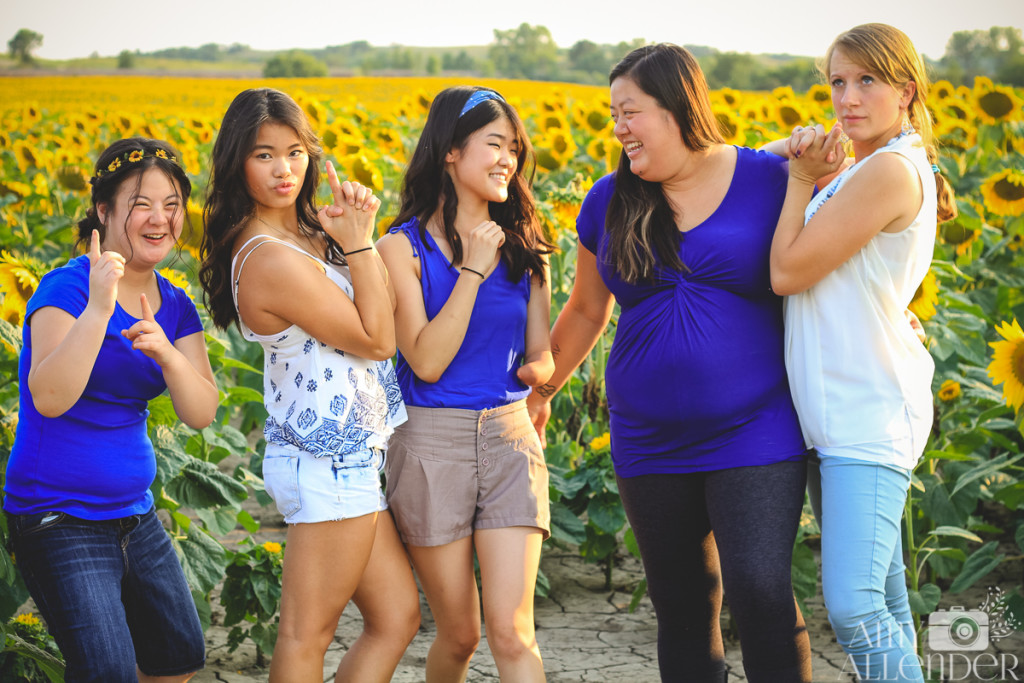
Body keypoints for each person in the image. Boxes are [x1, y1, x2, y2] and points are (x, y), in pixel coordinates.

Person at [526, 45, 812, 683]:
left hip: (755, 428)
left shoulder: (771, 181)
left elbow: (840, 244)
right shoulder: (609, 200)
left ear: (680, 107)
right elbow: (584, 311)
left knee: (761, 591)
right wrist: (544, 388)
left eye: (631, 112)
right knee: (683, 606)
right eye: (613, 113)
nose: (618, 127)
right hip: (647, 437)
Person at [199, 88, 419, 683]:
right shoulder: (268, 255)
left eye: (295, 153)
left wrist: (352, 238)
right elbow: (378, 341)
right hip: (326, 460)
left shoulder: (308, 232)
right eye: (264, 155)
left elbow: (386, 312)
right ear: (236, 163)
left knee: (396, 616)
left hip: (348, 455)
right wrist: (361, 239)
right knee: (305, 636)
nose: (284, 170)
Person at [770, 24, 957, 683]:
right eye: (837, 82)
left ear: (905, 90)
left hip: (866, 412)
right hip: (837, 407)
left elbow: (789, 272)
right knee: (886, 600)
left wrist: (798, 180)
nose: (847, 97)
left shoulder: (887, 169)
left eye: (866, 80)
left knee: (852, 607)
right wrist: (797, 155)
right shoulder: (863, 163)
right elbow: (745, 164)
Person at [4, 137, 217, 682]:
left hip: (135, 514)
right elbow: (49, 397)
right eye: (141, 203)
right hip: (58, 515)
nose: (160, 219)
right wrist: (100, 308)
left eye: (172, 205)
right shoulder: (66, 289)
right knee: (107, 672)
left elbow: (201, 411)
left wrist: (169, 354)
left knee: (178, 657)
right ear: (104, 210)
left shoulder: (174, 304)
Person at [375, 86, 555, 682]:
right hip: (430, 446)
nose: (509, 159)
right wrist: (473, 270)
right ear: (451, 151)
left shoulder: (527, 248)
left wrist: (540, 374)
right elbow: (425, 361)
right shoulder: (398, 248)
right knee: (459, 635)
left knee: (513, 631)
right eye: (494, 144)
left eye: (514, 148)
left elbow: (540, 354)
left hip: (509, 440)